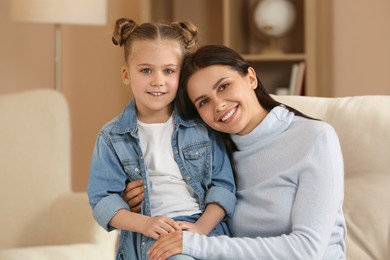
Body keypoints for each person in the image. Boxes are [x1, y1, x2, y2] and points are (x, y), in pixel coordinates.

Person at [127, 45, 347, 259]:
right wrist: (137, 197)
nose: (219, 105)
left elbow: (307, 250)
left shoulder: (315, 138)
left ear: (251, 78)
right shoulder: (212, 157)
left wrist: (196, 245)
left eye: (224, 86)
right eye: (203, 102)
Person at [87, 20, 236, 260]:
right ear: (126, 74)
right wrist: (144, 224)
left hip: (204, 231)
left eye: (169, 71)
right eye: (146, 70)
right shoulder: (111, 137)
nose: (158, 80)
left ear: (181, 75)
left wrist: (200, 229)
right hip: (149, 234)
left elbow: (224, 187)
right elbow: (102, 200)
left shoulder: (202, 127)